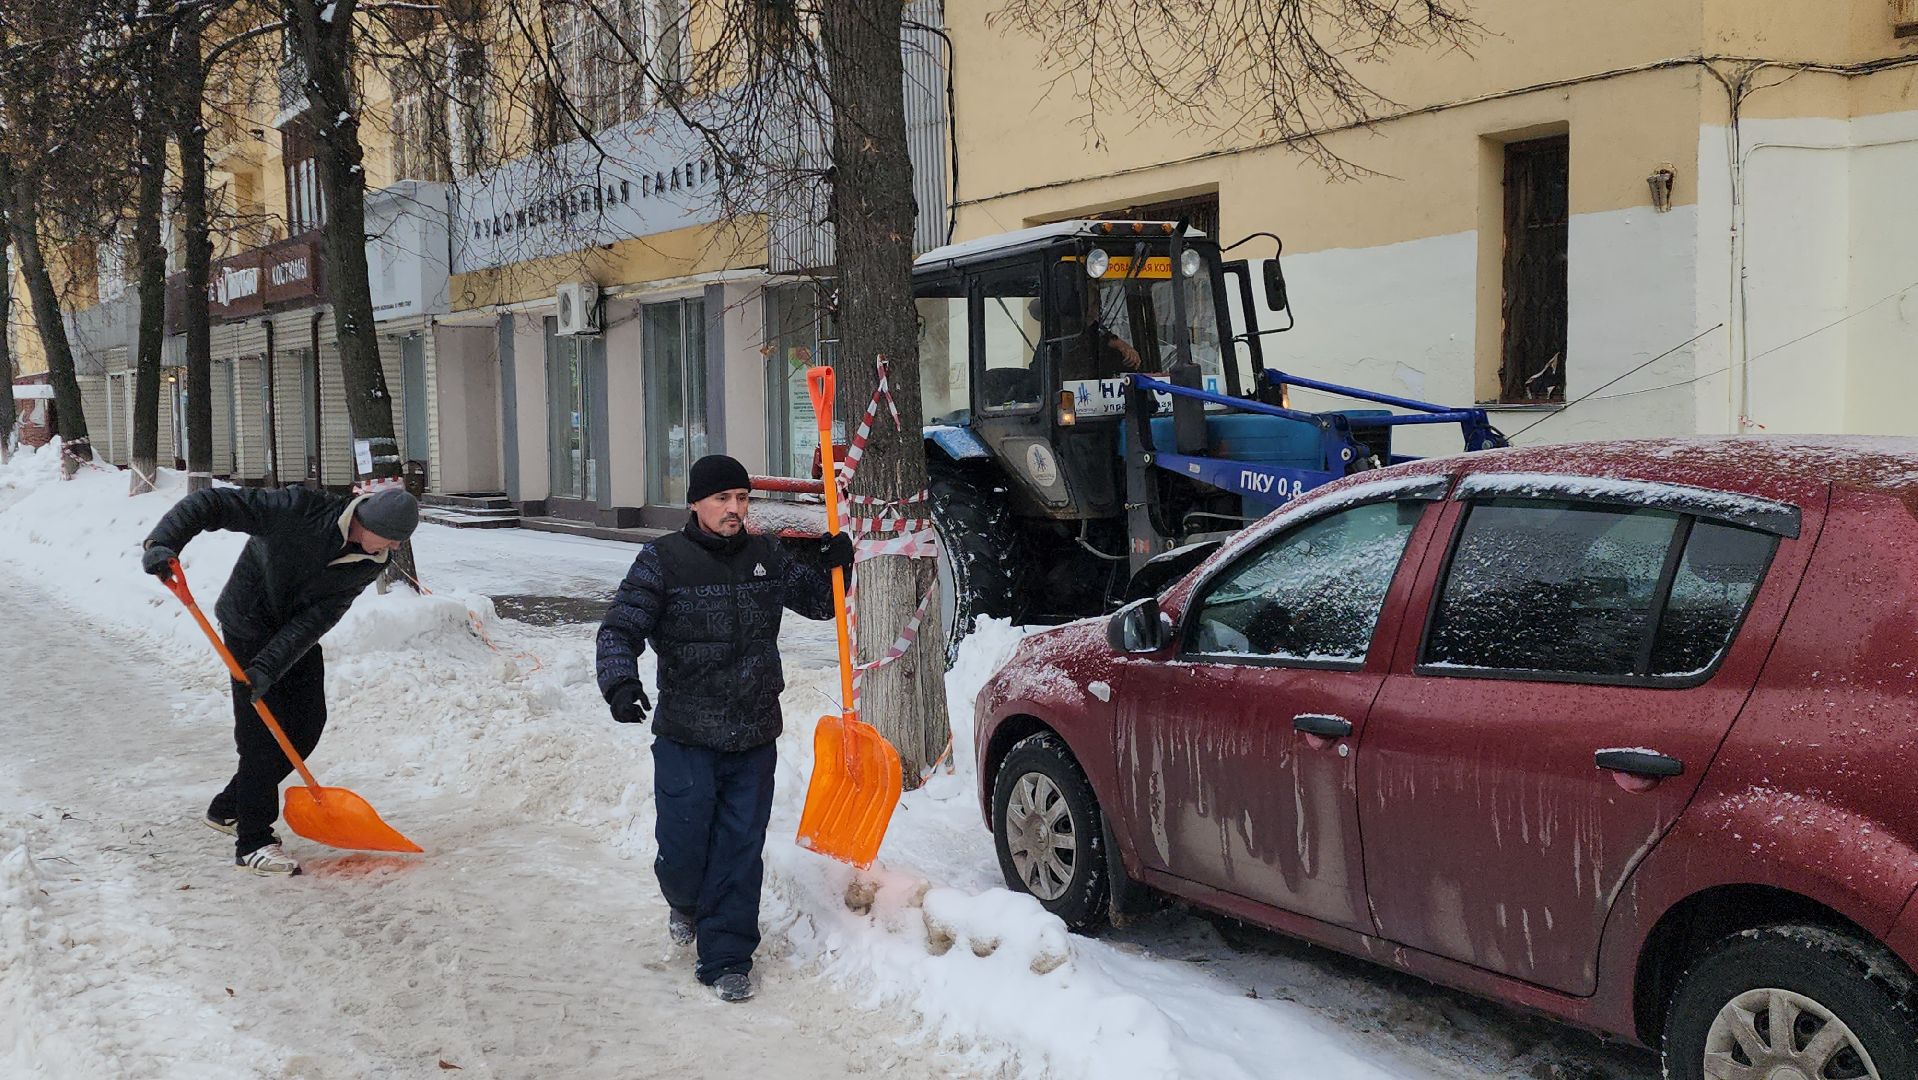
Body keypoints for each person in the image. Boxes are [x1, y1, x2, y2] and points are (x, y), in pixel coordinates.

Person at [595, 454, 852, 1003]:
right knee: (684, 850)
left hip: (754, 731)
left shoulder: (767, 554)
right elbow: (619, 628)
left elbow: (817, 604)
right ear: (696, 503)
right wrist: (619, 682)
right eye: (722, 500)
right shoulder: (663, 560)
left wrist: (836, 564)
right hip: (687, 732)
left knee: (740, 847)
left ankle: (727, 959)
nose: (735, 509)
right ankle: (684, 901)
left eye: (742, 499)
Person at [140, 485, 420, 877]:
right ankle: (252, 840)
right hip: (247, 622)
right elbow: (213, 503)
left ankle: (230, 806)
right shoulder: (299, 509)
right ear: (365, 521)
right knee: (259, 737)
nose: (389, 548)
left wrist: (269, 667)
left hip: (292, 635)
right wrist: (163, 542)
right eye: (389, 538)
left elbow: (320, 616)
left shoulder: (371, 559)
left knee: (306, 726)